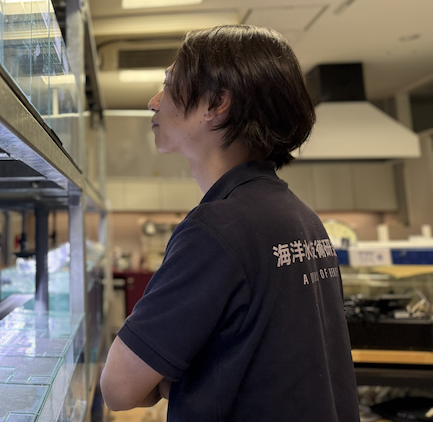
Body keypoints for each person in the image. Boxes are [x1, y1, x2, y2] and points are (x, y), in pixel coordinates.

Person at [100, 26, 359, 421]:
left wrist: (176, 375)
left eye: (169, 85)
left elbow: (118, 387)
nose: (154, 102)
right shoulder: (301, 218)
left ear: (217, 102)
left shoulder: (217, 229)